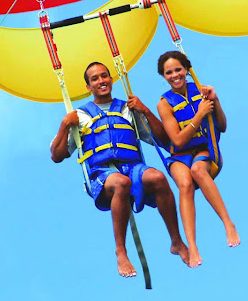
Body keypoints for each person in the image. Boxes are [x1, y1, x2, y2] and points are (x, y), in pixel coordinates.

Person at [51, 62, 189, 278]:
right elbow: (57, 156)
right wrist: (65, 125)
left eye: (104, 76)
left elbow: (162, 140)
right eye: (95, 79)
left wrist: (144, 110)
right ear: (88, 86)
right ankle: (121, 252)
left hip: (132, 167)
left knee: (159, 178)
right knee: (120, 183)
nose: (101, 81)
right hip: (101, 174)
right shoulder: (80, 115)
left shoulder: (127, 109)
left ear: (111, 79)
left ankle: (176, 241)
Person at [156, 50, 240, 268]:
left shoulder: (202, 91)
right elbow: (177, 140)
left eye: (178, 70)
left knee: (198, 171)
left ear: (186, 70)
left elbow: (222, 126)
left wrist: (216, 100)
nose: (175, 75)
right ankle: (192, 246)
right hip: (180, 155)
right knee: (184, 184)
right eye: (169, 72)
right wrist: (200, 114)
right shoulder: (164, 104)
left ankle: (228, 223)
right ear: (163, 76)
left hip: (205, 151)